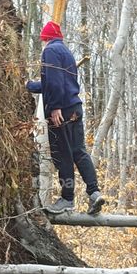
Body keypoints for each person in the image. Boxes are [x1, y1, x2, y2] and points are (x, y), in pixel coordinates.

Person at [26, 21, 106, 215]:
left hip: (61, 112)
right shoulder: (66, 52)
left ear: (45, 38)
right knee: (79, 151)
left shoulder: (50, 51)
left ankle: (67, 198)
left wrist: (55, 107)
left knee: (62, 155)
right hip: (74, 108)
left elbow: (54, 83)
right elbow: (54, 82)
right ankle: (94, 192)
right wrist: (30, 85)